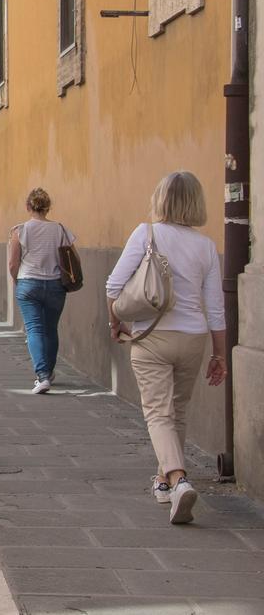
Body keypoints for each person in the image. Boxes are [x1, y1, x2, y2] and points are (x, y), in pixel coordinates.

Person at [105, 171, 227, 525]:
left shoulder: (146, 234)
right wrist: (219, 355)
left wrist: (116, 324)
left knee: (158, 414)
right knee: (178, 411)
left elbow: (113, 286)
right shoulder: (205, 246)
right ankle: (162, 482)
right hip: (193, 338)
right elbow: (215, 308)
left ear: (161, 199)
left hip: (152, 338)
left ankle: (177, 479)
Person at [8, 188, 73, 395]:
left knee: (34, 329)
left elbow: (13, 263)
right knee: (50, 329)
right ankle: (49, 372)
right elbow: (72, 258)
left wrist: (18, 281)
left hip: (28, 283)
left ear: (28, 207)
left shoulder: (20, 231)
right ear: (48, 207)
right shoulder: (60, 230)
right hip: (55, 284)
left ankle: (42, 376)